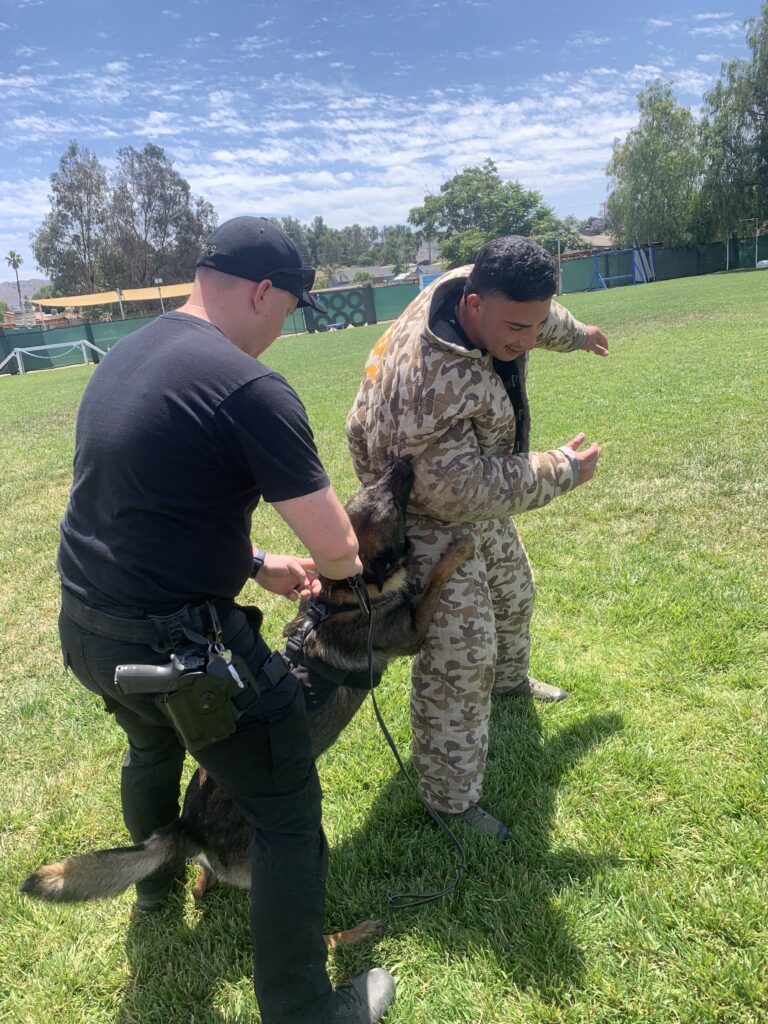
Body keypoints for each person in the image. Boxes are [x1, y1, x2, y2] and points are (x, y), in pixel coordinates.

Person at [56, 217, 396, 1023]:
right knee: (284, 809)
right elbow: (338, 546)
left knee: (151, 746)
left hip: (89, 631)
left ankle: (157, 888)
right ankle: (306, 1011)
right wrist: (346, 585)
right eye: (289, 309)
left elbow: (151, 508)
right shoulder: (250, 388)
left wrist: (255, 562)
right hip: (181, 647)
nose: (283, 328)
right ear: (261, 291)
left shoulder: (126, 356)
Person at [347, 235, 607, 840]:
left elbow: (538, 316)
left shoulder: (488, 289)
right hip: (420, 502)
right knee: (461, 651)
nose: (526, 340)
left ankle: (511, 683)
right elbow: (457, 492)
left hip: (466, 472)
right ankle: (449, 800)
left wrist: (578, 333)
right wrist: (562, 469)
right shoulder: (432, 381)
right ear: (473, 304)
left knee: (514, 591)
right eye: (516, 328)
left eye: (534, 325)